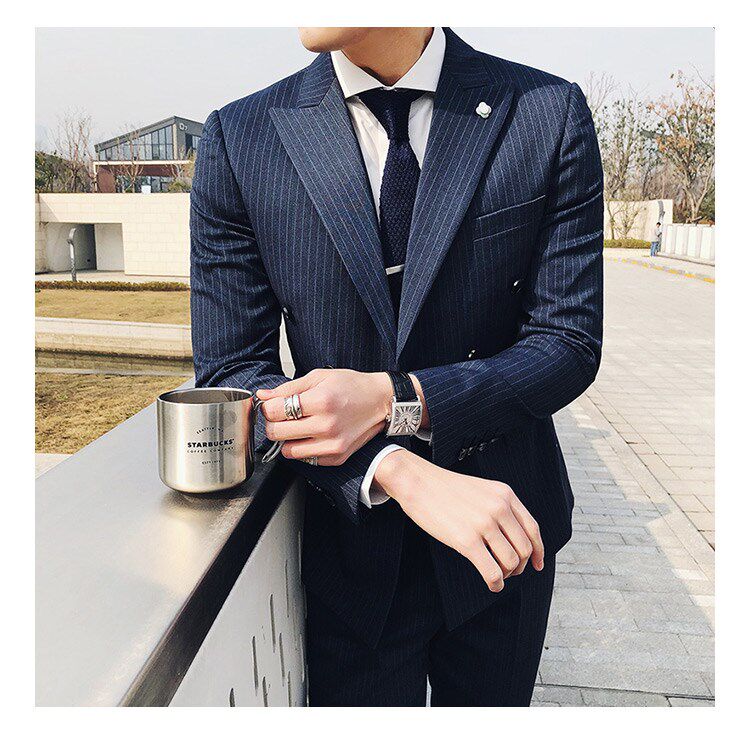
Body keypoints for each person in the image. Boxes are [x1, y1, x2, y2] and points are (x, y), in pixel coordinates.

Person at [190, 27, 604, 706]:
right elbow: (233, 375)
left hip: (505, 537)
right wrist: (394, 468)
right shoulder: (243, 138)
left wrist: (398, 399)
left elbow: (567, 341)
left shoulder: (545, 112)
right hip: (351, 548)